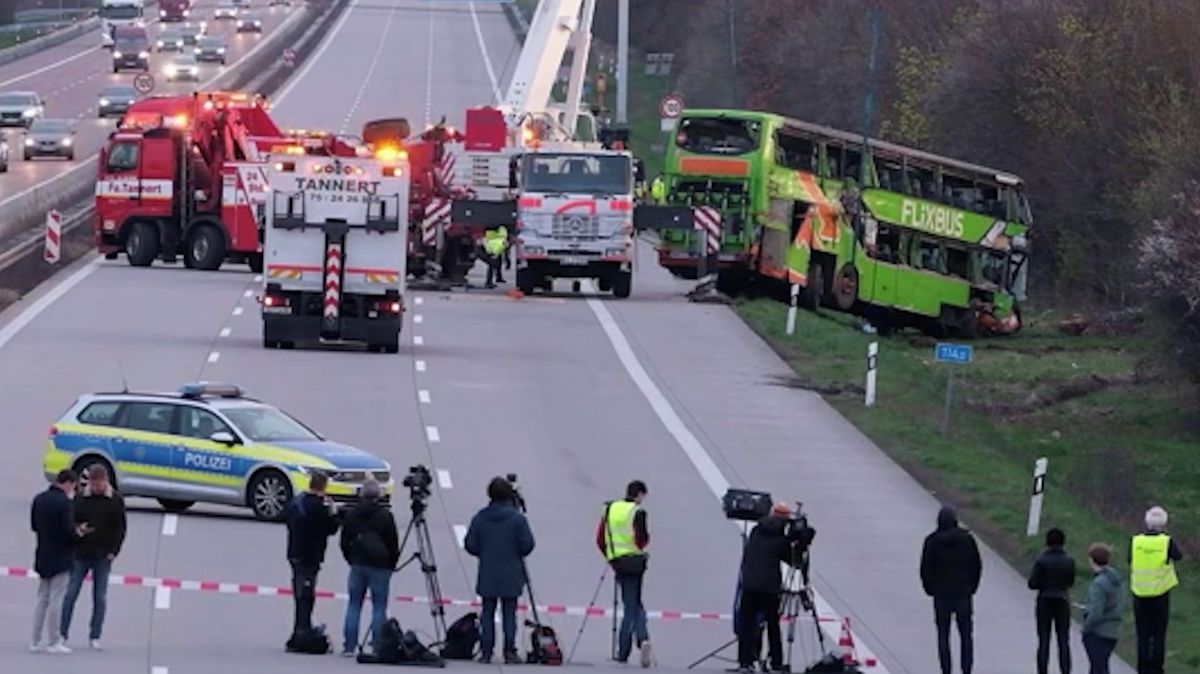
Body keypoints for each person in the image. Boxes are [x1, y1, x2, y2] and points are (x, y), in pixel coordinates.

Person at [464, 477, 535, 664]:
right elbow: (527, 545)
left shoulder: (480, 518)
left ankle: (486, 651)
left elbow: (470, 544)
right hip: (511, 572)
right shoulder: (517, 519)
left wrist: (485, 552)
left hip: (488, 572)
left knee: (487, 612)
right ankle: (509, 650)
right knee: (509, 613)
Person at [60, 465, 126, 650]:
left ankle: (95, 635)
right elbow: (72, 521)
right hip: (80, 553)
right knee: (70, 594)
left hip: (103, 555)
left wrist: (114, 551)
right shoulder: (81, 498)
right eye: (94, 485)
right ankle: (62, 633)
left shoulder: (115, 500)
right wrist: (79, 530)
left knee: (100, 597)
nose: (96, 488)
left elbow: (120, 528)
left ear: (105, 481)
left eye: (99, 485)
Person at [736, 502, 806, 674]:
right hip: (769, 588)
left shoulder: (756, 531)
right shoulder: (781, 540)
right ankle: (776, 662)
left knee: (747, 623)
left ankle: (745, 662)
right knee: (773, 625)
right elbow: (795, 561)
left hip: (749, 584)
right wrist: (800, 542)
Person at [339, 480, 400, 656]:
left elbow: (344, 541)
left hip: (358, 564)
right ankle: (377, 645)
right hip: (380, 567)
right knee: (379, 607)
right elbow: (393, 543)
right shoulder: (385, 516)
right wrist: (391, 564)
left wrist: (351, 559)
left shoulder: (352, 515)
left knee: (353, 605)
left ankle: (349, 646)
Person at [30, 469, 88, 654]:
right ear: (68, 483)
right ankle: (54, 640)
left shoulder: (39, 499)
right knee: (57, 599)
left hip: (43, 553)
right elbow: (68, 532)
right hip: (61, 556)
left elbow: (34, 526)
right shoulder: (64, 503)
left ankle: (35, 640)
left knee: (42, 598)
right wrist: (80, 532)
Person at [596, 480, 652, 667]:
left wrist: (610, 556)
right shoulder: (638, 512)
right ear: (640, 494)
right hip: (635, 562)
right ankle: (640, 639)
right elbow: (641, 540)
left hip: (618, 562)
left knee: (631, 603)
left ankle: (625, 650)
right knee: (632, 604)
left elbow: (600, 538)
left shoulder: (610, 509)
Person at [920, 506, 982, 674]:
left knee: (943, 635)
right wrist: (972, 587)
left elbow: (926, 568)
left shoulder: (932, 541)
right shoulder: (967, 540)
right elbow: (976, 565)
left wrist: (930, 589)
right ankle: (966, 668)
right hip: (962, 593)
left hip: (942, 595)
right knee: (966, 635)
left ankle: (946, 669)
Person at [285, 472, 341, 642]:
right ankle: (303, 631)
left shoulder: (297, 501)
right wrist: (333, 512)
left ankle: (300, 628)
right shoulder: (318, 507)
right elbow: (332, 528)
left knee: (299, 591)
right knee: (307, 594)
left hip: (294, 551)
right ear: (323, 486)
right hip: (310, 555)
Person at [1129, 506, 1183, 674]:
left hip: (1139, 593)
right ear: (1164, 524)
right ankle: (1156, 668)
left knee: (1142, 634)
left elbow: (1129, 559)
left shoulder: (1136, 541)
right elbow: (1178, 556)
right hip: (1160, 594)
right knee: (1158, 634)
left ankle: (1142, 667)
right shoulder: (1166, 542)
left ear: (1147, 523)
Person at [1028, 527, 1076, 674]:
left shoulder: (1041, 560)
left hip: (1045, 600)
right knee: (1063, 640)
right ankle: (1065, 670)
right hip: (1062, 600)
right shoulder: (1069, 560)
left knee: (1044, 640)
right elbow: (1070, 582)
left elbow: (1032, 583)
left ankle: (1042, 670)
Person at [1082, 544, 1122, 674]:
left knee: (1097, 668)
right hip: (1112, 630)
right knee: (1101, 666)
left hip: (1098, 632)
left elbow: (1096, 612)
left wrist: (1086, 627)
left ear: (1092, 560)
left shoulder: (1098, 584)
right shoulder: (1115, 580)